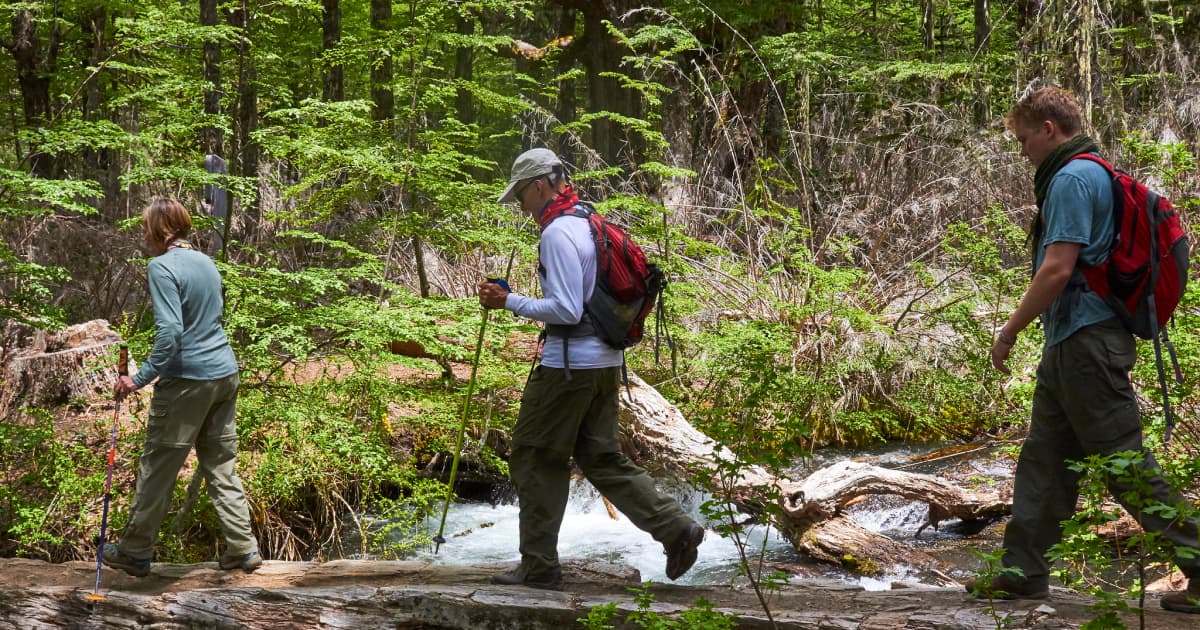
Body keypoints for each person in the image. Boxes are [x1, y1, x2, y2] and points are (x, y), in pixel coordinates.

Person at [967, 87, 1200, 613]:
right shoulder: (1088, 172)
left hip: (1087, 342)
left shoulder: (1072, 177)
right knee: (1045, 462)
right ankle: (1022, 573)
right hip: (1072, 341)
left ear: (1049, 128)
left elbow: (1057, 268)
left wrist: (1008, 332)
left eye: (1024, 138)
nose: (1022, 149)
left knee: (1123, 463)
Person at [478, 148, 704, 590]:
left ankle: (538, 567)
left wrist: (510, 302)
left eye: (521, 196)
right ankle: (676, 529)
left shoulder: (558, 233)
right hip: (604, 364)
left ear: (540, 186)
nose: (521, 206)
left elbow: (564, 308)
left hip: (568, 369)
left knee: (534, 456)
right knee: (600, 458)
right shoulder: (589, 222)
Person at [104, 197, 261, 577]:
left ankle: (136, 551)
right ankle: (243, 549)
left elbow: (172, 331)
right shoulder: (207, 263)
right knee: (221, 463)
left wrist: (138, 379)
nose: (144, 234)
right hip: (224, 373)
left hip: (188, 382)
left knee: (158, 466)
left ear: (160, 230)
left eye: (146, 227)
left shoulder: (161, 267)